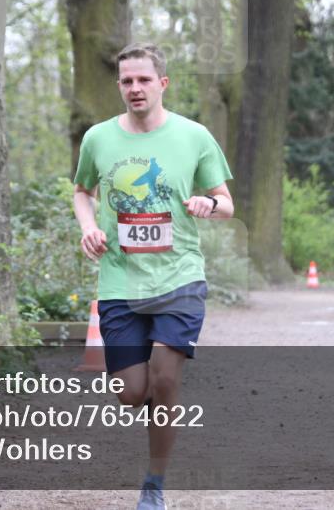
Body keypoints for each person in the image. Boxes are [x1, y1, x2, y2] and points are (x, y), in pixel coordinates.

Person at [72, 42, 234, 510]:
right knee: (130, 394)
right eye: (127, 81)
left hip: (179, 278)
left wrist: (209, 204)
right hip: (120, 281)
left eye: (144, 80)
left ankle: (154, 485)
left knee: (164, 383)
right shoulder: (98, 139)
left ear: (162, 83)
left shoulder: (194, 136)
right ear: (119, 86)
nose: (135, 88)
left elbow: (226, 203)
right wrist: (88, 227)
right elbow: (82, 191)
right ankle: (156, 415)